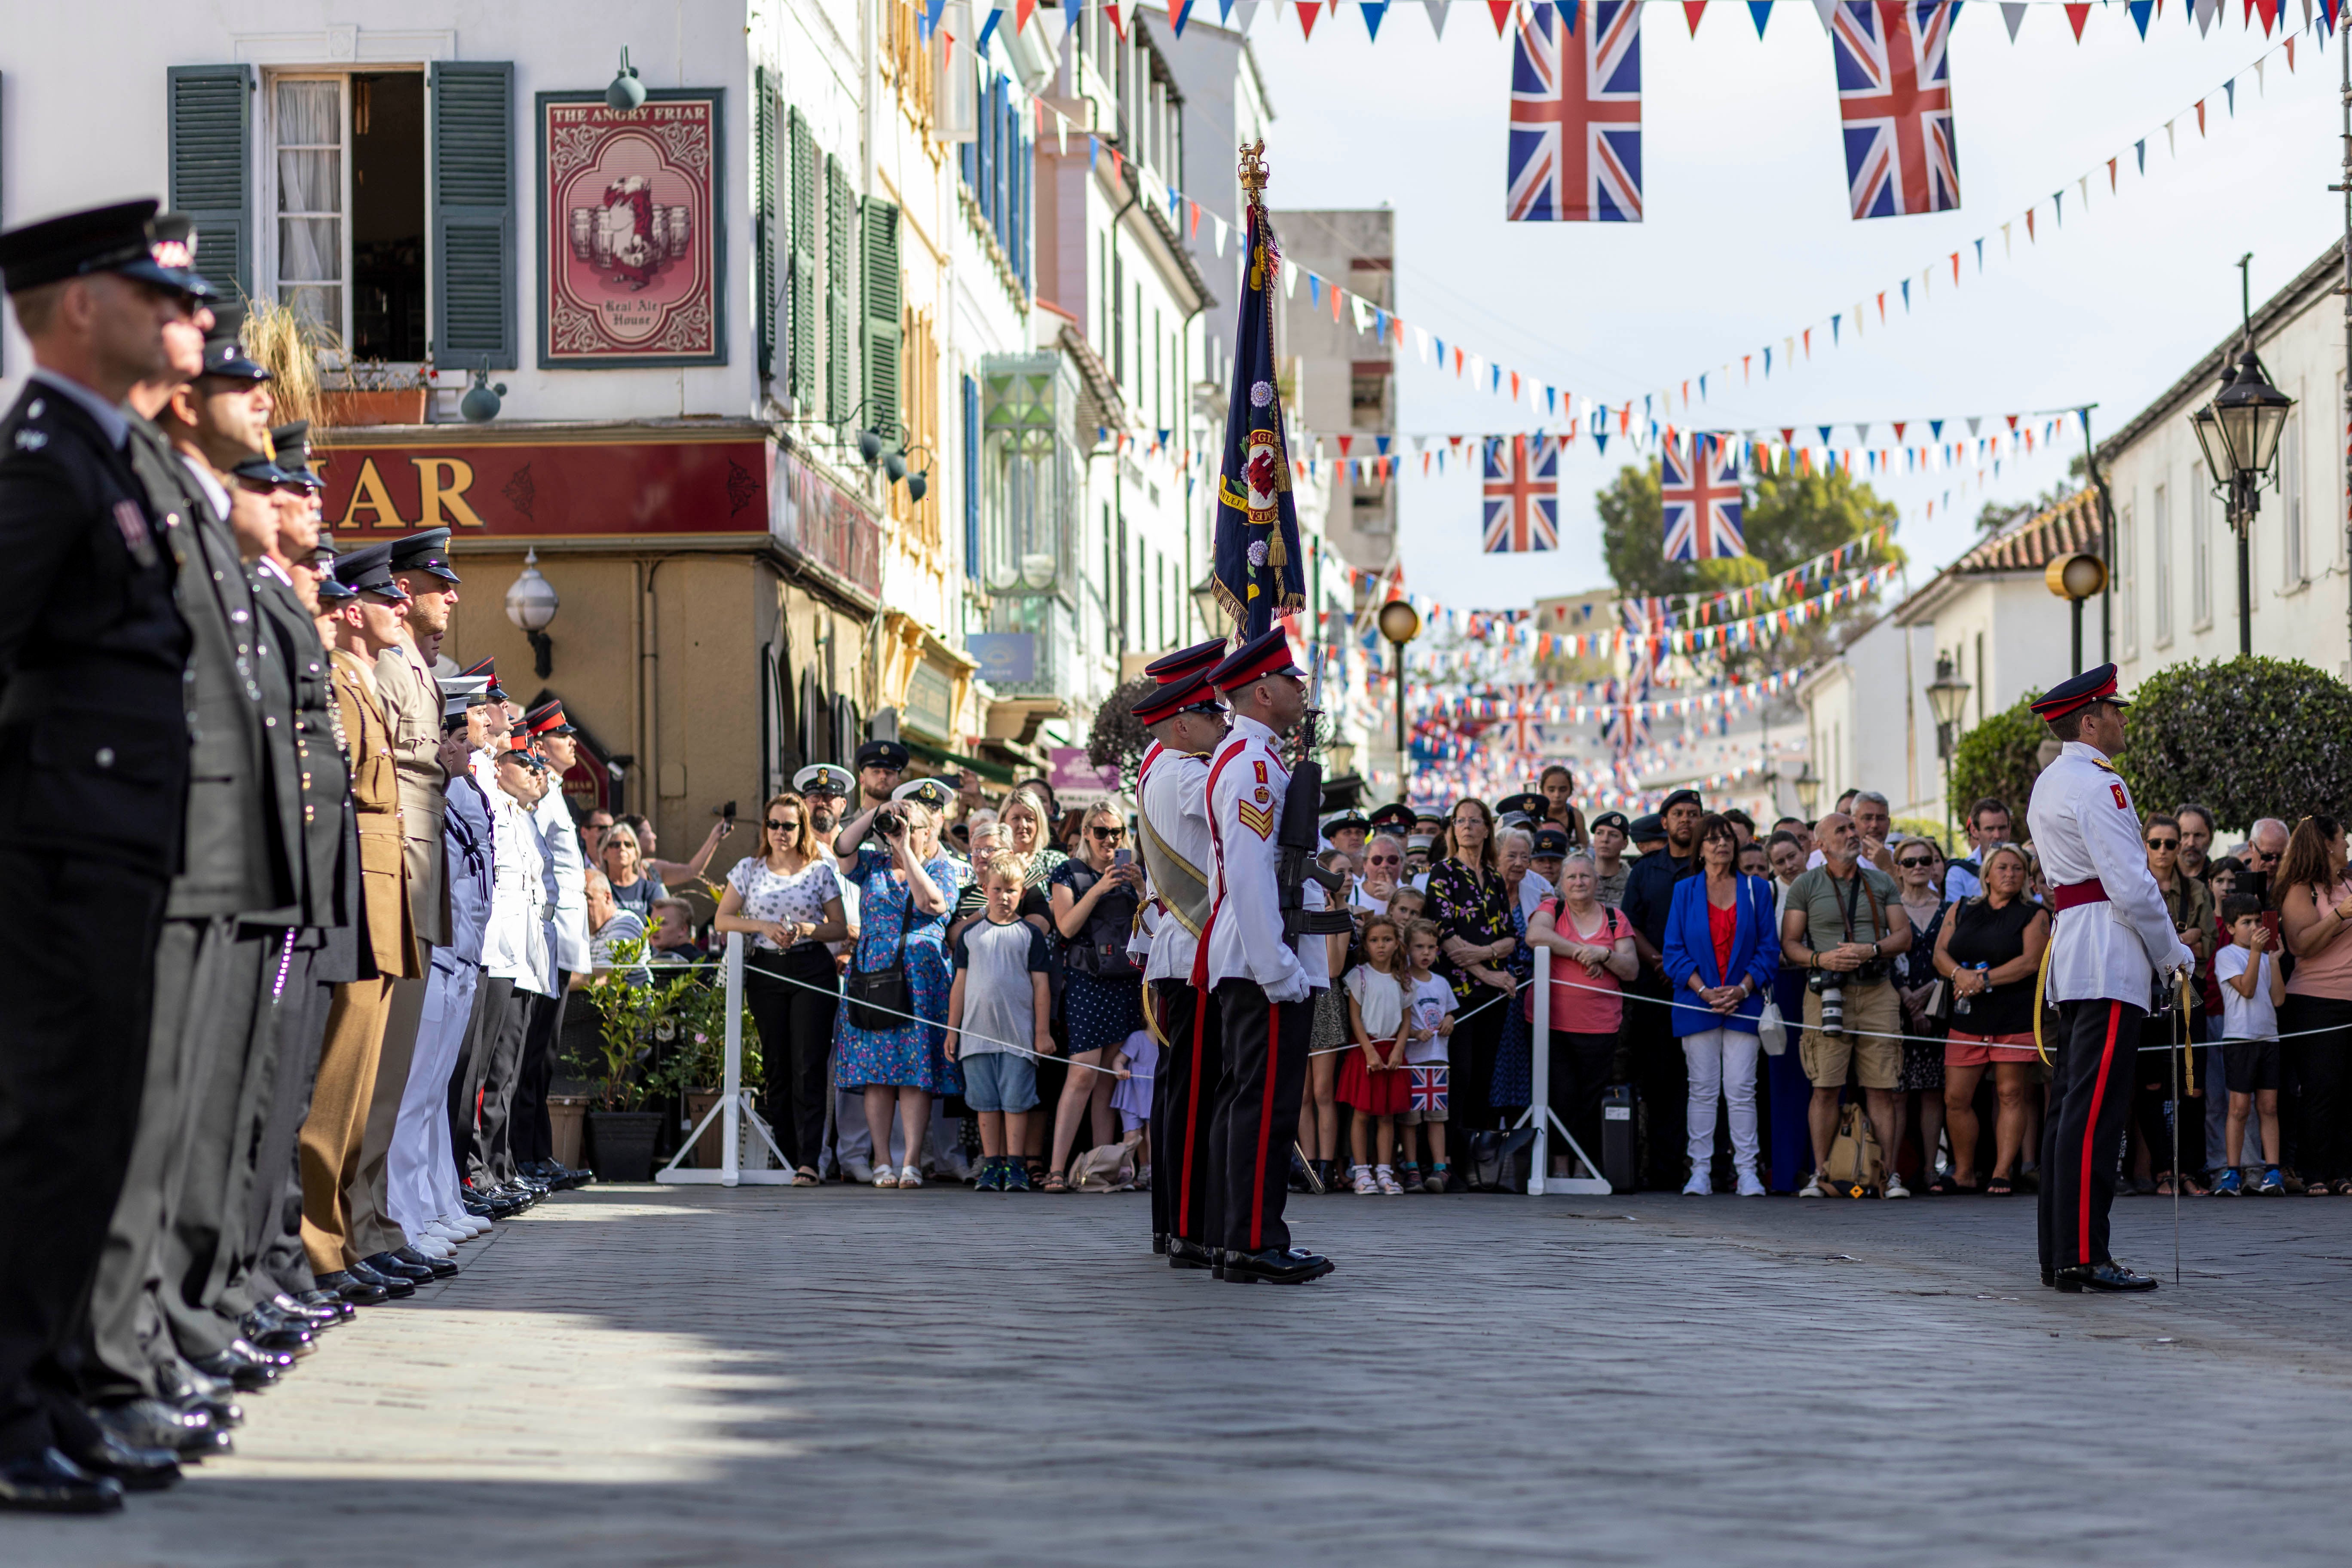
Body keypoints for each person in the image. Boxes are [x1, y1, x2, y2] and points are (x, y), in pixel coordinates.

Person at [0, 201, 210, 1509]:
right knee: (49, 1130)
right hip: (57, 853)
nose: (171, 310)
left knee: (91, 1132)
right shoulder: (46, 459)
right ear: (79, 305)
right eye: (145, 289)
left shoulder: (104, 452)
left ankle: (58, 1384)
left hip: (109, 845)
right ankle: (16, 1409)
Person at [2024, 665, 2194, 1292]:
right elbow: (2132, 885)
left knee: (2071, 1108)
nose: (2123, 719)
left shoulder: (2052, 781)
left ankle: (2061, 1253)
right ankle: (2083, 1256)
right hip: (2108, 953)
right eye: (2115, 711)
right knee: (2095, 1113)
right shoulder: (2101, 785)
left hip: (2079, 948)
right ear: (2090, 720)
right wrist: (2172, 952)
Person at [1196, 628, 1334, 1284]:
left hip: (1252, 954)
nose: (1301, 691)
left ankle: (1238, 1237)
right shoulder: (1253, 766)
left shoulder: (1258, 759)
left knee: (1245, 1101)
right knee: (1263, 1105)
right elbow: (1252, 876)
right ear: (1262, 690)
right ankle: (1254, 1240)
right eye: (1292, 682)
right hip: (1260, 960)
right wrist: (1279, 967)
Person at [1130, 665, 1229, 1266]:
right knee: (1193, 1095)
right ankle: (1190, 1226)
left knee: (1178, 1092)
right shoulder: (1192, 774)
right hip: (1197, 947)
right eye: (1216, 712)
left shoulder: (1157, 764)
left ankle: (1174, 1221)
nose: (1225, 721)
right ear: (1184, 720)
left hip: (1177, 945)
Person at [714, 792, 847, 1185]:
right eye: (774, 825)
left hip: (811, 968)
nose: (780, 833)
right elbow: (724, 918)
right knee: (776, 1065)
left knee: (808, 1063)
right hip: (766, 969)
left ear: (802, 828)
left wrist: (808, 929)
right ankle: (786, 1156)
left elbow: (840, 928)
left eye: (789, 825)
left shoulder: (819, 870)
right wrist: (762, 926)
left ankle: (810, 1161)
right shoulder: (749, 869)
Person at [1779, 810, 1912, 1200]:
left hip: (1876, 991)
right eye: (1842, 830)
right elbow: (1790, 945)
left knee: (1883, 1087)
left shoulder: (1881, 880)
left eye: (1853, 827)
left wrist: (1871, 949)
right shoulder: (1805, 885)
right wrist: (1823, 960)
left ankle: (1889, 1176)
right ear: (1821, 844)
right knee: (1824, 1086)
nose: (1853, 834)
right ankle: (1819, 1174)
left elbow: (1903, 936)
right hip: (1826, 992)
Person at [830, 797, 960, 1188]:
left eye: (913, 827)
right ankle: (882, 1162)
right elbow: (842, 848)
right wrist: (878, 812)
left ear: (928, 832)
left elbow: (931, 903)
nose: (901, 834)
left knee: (914, 1072)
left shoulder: (942, 868)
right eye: (897, 829)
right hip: (872, 978)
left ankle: (912, 1163)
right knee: (876, 1074)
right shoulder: (871, 865)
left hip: (920, 982)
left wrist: (907, 851)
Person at [1661, 815, 1781, 1197]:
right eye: (1712, 839)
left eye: (1726, 838)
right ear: (1699, 848)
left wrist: (1742, 989)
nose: (1721, 845)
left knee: (1742, 1088)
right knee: (1702, 1089)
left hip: (1743, 1003)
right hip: (1698, 1003)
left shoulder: (1756, 890)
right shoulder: (1684, 891)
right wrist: (1704, 991)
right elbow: (1673, 953)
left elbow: (1768, 951)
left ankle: (1747, 1171)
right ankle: (1699, 1170)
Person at [1933, 844, 2049, 1194]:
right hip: (1967, 1015)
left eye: (2017, 868)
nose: (2010, 874)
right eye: (2002, 867)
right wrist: (1959, 975)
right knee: (1956, 1098)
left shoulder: (2035, 913)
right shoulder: (1963, 908)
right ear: (1986, 874)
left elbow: (2031, 962)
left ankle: (2002, 1172)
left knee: (2011, 1093)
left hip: (2013, 1014)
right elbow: (1940, 952)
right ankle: (1965, 1171)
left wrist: (1982, 980)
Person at [1044, 803, 1146, 1191]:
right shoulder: (1069, 872)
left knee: (1107, 1080)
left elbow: (1152, 921)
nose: (1109, 840)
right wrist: (1101, 887)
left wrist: (1138, 886)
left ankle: (1100, 1168)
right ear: (1085, 832)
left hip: (1123, 979)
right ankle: (1056, 1168)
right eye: (1101, 832)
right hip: (1087, 979)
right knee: (1083, 1072)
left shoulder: (1131, 873)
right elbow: (1066, 926)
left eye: (1116, 832)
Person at [946, 855, 1055, 1192]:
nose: (1004, 897)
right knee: (985, 1103)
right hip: (977, 1036)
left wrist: (1041, 1032)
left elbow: (1041, 986)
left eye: (1011, 890)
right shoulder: (970, 935)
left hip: (1017, 1037)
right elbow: (960, 985)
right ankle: (992, 1165)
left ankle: (1017, 1165)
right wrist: (953, 1030)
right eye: (997, 890)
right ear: (985, 891)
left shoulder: (1030, 935)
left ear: (1022, 893)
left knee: (1016, 1101)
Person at [1526, 851, 1636, 1181]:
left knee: (1590, 1099)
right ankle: (1559, 1165)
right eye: (1571, 877)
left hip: (1599, 1025)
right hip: (1552, 1023)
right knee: (1560, 1096)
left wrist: (1602, 954)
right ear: (1561, 883)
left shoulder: (1616, 918)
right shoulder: (1552, 910)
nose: (1578, 882)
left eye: (1585, 877)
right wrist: (1581, 952)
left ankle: (1584, 1165)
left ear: (1597, 882)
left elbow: (1630, 969)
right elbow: (1535, 936)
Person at [1622, 789, 1703, 1189]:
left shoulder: (1713, 868)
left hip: (1704, 990)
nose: (1686, 820)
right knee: (1659, 1081)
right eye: (1678, 814)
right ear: (1665, 822)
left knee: (1702, 1082)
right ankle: (1663, 1171)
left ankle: (1707, 1169)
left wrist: (1688, 971)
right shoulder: (1644, 870)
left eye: (1693, 813)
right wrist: (1661, 962)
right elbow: (1630, 924)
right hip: (1655, 989)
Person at [1425, 796, 1519, 1136]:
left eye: (1474, 821)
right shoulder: (1443, 872)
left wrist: (1485, 954)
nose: (1466, 827)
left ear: (1487, 829)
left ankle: (1477, 1156)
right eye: (1460, 821)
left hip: (1492, 996)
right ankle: (1449, 1158)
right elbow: (1445, 935)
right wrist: (1489, 971)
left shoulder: (1495, 877)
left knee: (1484, 1075)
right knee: (1460, 1074)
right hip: (1456, 993)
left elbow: (1510, 935)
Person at [2131, 814, 2212, 1196]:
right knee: (2150, 1086)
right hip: (2145, 992)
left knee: (2192, 1086)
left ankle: (2189, 1171)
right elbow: (2137, 944)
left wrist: (2171, 942)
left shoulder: (2196, 889)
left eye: (2171, 844)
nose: (2163, 851)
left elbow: (2208, 945)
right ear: (2144, 844)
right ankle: (2163, 1170)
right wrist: (2182, 938)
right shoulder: (2134, 884)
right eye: (2156, 843)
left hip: (2187, 990)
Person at [2275, 814, 2352, 1197]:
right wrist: (2341, 913)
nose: (2347, 844)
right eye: (2342, 838)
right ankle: (2314, 1171)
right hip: (2316, 1001)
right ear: (2326, 844)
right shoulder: (2301, 889)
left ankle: (2344, 1171)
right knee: (2323, 1089)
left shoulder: (2349, 882)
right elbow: (2301, 945)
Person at [2210, 892, 2287, 1195]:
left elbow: (2279, 999)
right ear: (2230, 927)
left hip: (2269, 1038)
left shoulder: (2266, 956)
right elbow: (2248, 989)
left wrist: (2274, 961)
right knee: (2239, 1108)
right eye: (2246, 922)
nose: (2254, 927)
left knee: (2269, 1106)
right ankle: (2232, 1172)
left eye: (2257, 921)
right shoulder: (2227, 956)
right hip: (2240, 1039)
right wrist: (2256, 953)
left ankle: (2273, 1171)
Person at [1890, 837, 1950, 1193]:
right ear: (1898, 868)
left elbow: (1955, 955)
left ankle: (1930, 1169)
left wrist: (1925, 996)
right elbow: (1883, 956)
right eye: (1910, 862)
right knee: (1895, 1094)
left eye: (1925, 860)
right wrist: (1908, 997)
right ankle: (1892, 1171)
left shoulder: (1950, 908)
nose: (1918, 867)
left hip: (1939, 1008)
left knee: (1932, 1092)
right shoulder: (1889, 908)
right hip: (1896, 1010)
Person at [1340, 915, 1412, 1194]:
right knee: (1361, 1114)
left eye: (1387, 940)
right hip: (1367, 1052)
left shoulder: (1403, 978)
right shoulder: (1359, 976)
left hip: (1391, 1053)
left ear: (1397, 943)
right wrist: (1369, 1051)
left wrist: (1398, 1049)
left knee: (1387, 1116)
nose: (1381, 945)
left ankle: (1385, 1171)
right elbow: (1355, 1018)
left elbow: (1406, 1020)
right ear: (1366, 945)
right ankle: (1361, 1172)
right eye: (1374, 940)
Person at [1399, 920, 1461, 1192]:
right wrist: (1413, 1033)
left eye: (1431, 948)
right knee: (1411, 1118)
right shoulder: (1402, 981)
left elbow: (1450, 1012)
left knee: (1437, 1117)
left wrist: (1450, 1019)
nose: (1426, 953)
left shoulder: (1442, 983)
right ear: (1407, 949)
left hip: (1436, 1060)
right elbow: (1397, 1020)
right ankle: (1412, 1168)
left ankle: (1440, 1169)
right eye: (1419, 947)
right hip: (1411, 1060)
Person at [616, 810, 732, 891]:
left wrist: (714, 838)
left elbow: (691, 871)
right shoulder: (616, 873)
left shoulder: (652, 868)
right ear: (635, 838)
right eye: (649, 832)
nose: (654, 836)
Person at [1942, 797, 2013, 901]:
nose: (1997, 835)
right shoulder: (1959, 873)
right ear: (1974, 831)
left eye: (2002, 828)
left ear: (2009, 827)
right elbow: (1956, 914)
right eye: (1990, 829)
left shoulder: (2027, 864)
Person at [599, 823, 666, 922]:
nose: (622, 848)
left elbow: (659, 926)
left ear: (636, 854)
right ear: (604, 853)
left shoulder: (651, 890)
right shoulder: (598, 889)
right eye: (615, 845)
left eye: (628, 844)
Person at [1354, 834, 1406, 914]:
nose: (1385, 865)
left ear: (1402, 864)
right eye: (1377, 860)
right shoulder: (1351, 894)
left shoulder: (1413, 895)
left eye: (1392, 860)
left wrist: (1395, 898)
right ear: (1365, 865)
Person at [2175, 803, 2218, 882]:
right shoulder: (2156, 879)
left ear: (2211, 839)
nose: (2191, 843)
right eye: (2185, 835)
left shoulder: (2219, 878)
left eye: (2198, 836)